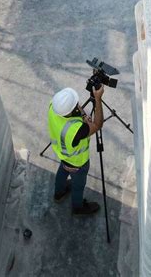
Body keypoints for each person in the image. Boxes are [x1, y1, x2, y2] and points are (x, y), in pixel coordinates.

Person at [48, 84, 104, 216]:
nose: (78, 104)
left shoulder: (53, 106)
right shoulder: (76, 130)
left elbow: (74, 109)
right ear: (71, 110)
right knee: (78, 186)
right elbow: (97, 124)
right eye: (75, 104)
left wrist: (83, 116)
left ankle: (59, 194)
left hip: (62, 154)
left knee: (62, 171)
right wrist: (98, 99)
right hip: (77, 162)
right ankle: (78, 208)